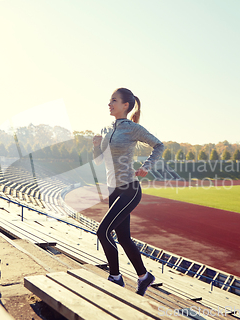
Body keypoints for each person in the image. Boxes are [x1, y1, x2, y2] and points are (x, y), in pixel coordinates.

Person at [92, 87, 164, 296]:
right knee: (123, 238)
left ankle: (115, 277)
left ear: (125, 105)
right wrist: (96, 146)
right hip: (113, 190)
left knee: (102, 232)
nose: (109, 104)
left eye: (114, 100)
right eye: (109, 100)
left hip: (130, 188)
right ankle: (144, 276)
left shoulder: (132, 128)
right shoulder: (105, 130)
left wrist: (146, 167)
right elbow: (98, 160)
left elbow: (159, 146)